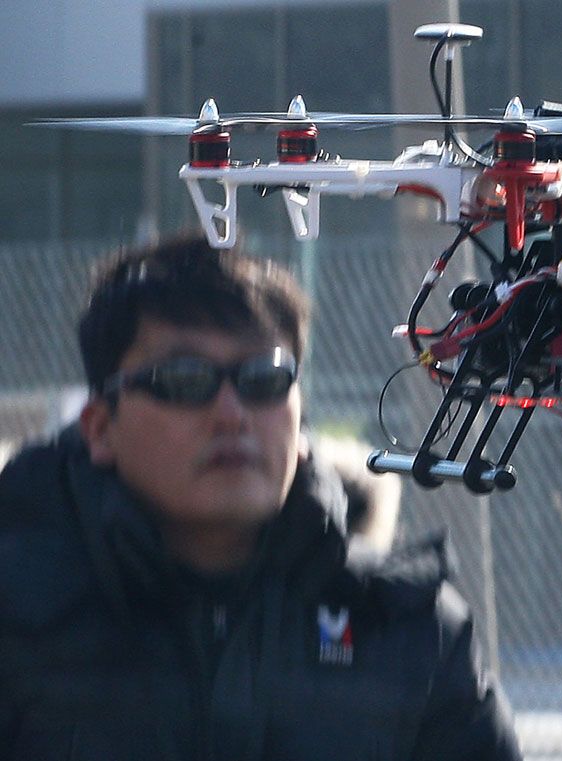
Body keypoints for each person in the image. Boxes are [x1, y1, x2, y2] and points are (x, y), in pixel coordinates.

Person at [0, 236, 521, 761]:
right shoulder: (19, 624)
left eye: (264, 380)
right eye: (185, 380)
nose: (232, 414)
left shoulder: (412, 632)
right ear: (99, 427)